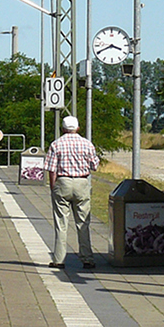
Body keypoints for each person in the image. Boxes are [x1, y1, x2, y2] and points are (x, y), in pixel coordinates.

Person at [44, 114, 100, 269]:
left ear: (62, 129)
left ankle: (58, 259)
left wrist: (53, 186)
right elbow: (94, 165)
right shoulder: (87, 144)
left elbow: (51, 169)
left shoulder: (56, 144)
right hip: (82, 182)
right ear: (78, 128)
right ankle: (87, 258)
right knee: (83, 223)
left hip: (63, 182)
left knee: (61, 223)